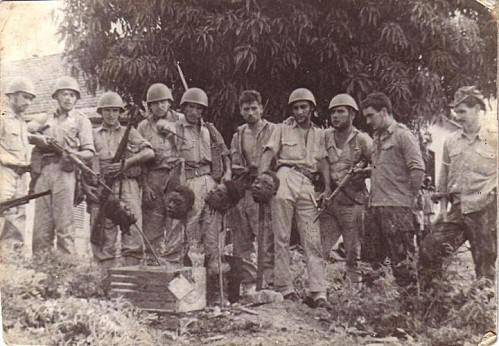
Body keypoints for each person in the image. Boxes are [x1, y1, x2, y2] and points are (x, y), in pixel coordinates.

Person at [258, 88, 331, 308]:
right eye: (296, 108)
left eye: (304, 107)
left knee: (312, 238)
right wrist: (262, 179)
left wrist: (327, 187)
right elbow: (268, 153)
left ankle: (318, 291)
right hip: (285, 177)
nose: (300, 111)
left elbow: (324, 161)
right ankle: (284, 288)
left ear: (311, 109)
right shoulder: (281, 129)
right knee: (281, 236)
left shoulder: (320, 133)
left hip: (307, 183)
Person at [419, 86, 496, 287]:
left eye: (462, 111)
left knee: (485, 266)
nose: (458, 117)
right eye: (456, 112)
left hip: (484, 211)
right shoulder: (451, 141)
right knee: (430, 249)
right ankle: (436, 302)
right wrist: (442, 210)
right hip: (457, 209)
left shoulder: (494, 138)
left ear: (477, 109)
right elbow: (443, 177)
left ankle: (481, 312)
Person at [360, 92, 425, 287]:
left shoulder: (403, 135)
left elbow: (418, 169)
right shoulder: (377, 138)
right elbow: (383, 168)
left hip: (398, 209)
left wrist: (408, 201)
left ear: (385, 111)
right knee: (371, 265)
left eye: (371, 115)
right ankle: (372, 311)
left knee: (403, 265)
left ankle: (408, 312)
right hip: (375, 207)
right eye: (366, 117)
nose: (368, 121)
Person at [30, 76, 95, 255]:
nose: (68, 98)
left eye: (73, 95)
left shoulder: (82, 120)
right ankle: (41, 275)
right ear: (56, 96)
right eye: (64, 94)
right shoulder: (45, 117)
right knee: (41, 228)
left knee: (65, 227)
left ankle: (66, 276)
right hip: (43, 171)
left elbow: (89, 152)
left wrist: (73, 154)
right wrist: (39, 138)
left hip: (66, 172)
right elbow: (27, 131)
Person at [89, 92, 154, 267]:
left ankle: (130, 278)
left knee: (132, 231)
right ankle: (105, 283)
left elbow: (149, 152)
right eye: (107, 111)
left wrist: (127, 163)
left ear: (120, 113)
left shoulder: (129, 132)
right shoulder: (93, 134)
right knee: (104, 234)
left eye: (115, 111)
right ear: (100, 112)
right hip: (104, 187)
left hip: (128, 185)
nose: (111, 115)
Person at [174, 87, 231, 272]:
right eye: (190, 107)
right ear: (183, 108)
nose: (194, 112)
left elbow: (224, 153)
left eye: (199, 109)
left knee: (213, 225)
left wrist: (226, 174)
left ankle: (214, 269)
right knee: (189, 227)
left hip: (209, 180)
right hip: (189, 180)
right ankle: (185, 269)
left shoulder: (209, 129)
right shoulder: (176, 128)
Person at [319, 93, 372, 283]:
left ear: (352, 114)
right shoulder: (325, 136)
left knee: (352, 253)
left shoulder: (363, 140)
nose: (335, 116)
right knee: (319, 248)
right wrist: (325, 187)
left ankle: (353, 294)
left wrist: (363, 172)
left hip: (353, 202)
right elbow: (322, 161)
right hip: (331, 201)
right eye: (333, 112)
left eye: (341, 111)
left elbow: (379, 165)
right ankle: (318, 290)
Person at [228, 90, 276, 286]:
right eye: (246, 109)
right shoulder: (238, 135)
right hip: (243, 191)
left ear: (261, 108)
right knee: (241, 238)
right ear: (241, 111)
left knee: (266, 237)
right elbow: (233, 161)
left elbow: (278, 159)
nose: (250, 113)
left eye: (254, 108)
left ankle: (267, 280)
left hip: (263, 192)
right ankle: (247, 281)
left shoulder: (273, 131)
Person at [137, 83, 185, 264]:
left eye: (164, 102)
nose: (160, 106)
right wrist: (145, 185)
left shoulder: (181, 120)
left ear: (170, 102)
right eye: (155, 103)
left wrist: (173, 131)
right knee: (152, 220)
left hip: (176, 173)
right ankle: (152, 260)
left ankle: (174, 261)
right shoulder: (143, 126)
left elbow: (189, 144)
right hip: (154, 175)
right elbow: (140, 157)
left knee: (176, 219)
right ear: (149, 106)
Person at [0, 77, 36, 250]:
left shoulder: (22, 122)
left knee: (18, 216)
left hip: (21, 175)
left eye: (30, 98)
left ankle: (12, 261)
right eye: (25, 97)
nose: (28, 102)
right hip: (4, 172)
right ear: (12, 96)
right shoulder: (2, 117)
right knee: (2, 212)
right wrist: (13, 162)